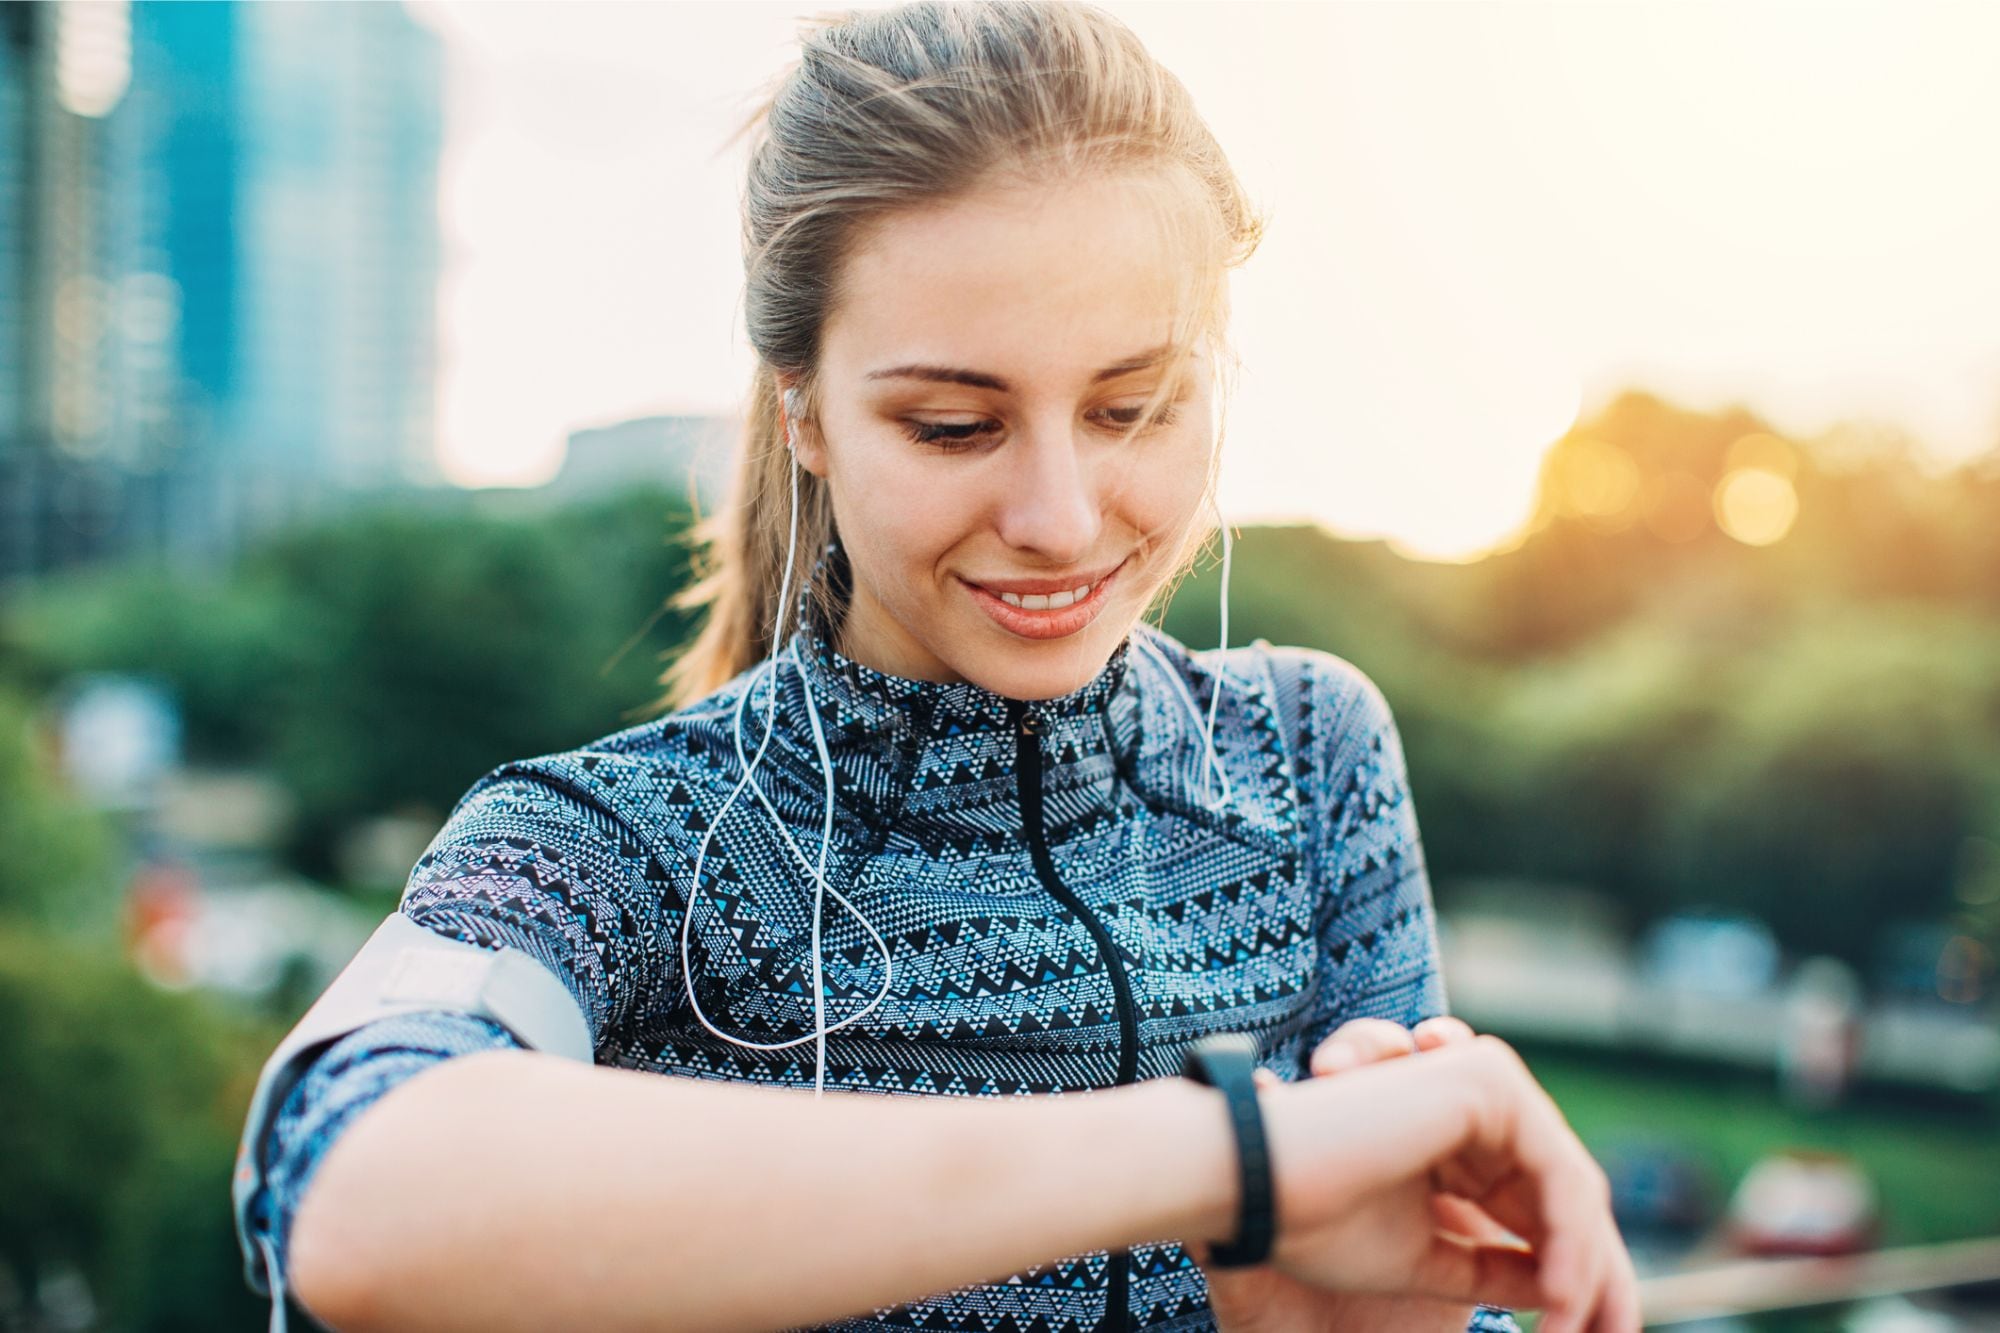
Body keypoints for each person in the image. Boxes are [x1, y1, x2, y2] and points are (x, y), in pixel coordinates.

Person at [229, 4, 1640, 1331]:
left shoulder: (1312, 752)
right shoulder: (626, 844)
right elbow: (346, 1179)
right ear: (808, 416)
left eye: (1133, 405)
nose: (1060, 518)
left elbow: (1452, 1289)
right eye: (956, 425)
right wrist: (1223, 1157)